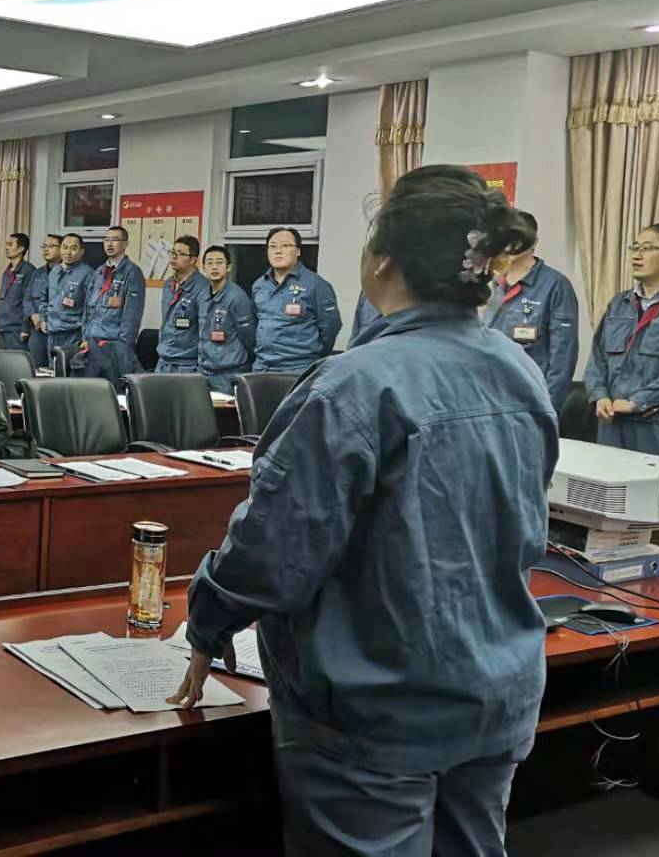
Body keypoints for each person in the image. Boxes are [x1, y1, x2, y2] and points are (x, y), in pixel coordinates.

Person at [171, 165, 556, 855]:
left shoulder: (354, 385)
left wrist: (208, 621)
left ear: (381, 260)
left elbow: (276, 550)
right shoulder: (518, 370)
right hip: (496, 692)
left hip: (380, 708)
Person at [482, 211, 580, 415]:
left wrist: (548, 409)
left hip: (527, 401)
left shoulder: (555, 286)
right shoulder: (489, 283)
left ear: (533, 241)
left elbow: (563, 356)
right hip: (485, 395)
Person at [585, 223, 659, 452]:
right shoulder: (619, 304)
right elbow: (597, 358)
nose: (637, 255)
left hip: (654, 423)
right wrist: (599, 396)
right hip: (611, 421)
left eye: (647, 248)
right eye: (635, 248)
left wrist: (637, 402)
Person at [251, 226, 341, 372]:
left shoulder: (316, 285)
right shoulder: (259, 285)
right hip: (262, 366)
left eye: (285, 245)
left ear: (298, 251)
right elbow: (255, 321)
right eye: (273, 246)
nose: (278, 251)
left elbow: (331, 326)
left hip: (298, 368)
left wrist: (314, 355)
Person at [78, 225, 146, 381]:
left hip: (113, 343)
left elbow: (132, 315)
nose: (109, 244)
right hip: (92, 342)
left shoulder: (132, 273)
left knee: (111, 388)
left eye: (115, 240)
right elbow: (88, 308)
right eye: (106, 240)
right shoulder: (99, 272)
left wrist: (123, 346)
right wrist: (85, 337)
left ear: (125, 244)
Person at [196, 245, 256, 394]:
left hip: (228, 373)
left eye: (219, 262)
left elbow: (249, 338)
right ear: (203, 268)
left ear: (228, 267)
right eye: (209, 263)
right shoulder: (202, 296)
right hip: (204, 370)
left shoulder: (237, 297)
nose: (214, 267)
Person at [155, 235, 209, 373]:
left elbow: (205, 331)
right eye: (172, 252)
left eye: (180, 254)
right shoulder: (169, 284)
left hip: (187, 363)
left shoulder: (203, 287)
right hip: (164, 359)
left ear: (193, 260)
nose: (174, 257)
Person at [43, 233, 91, 355]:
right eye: (65, 247)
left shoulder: (88, 274)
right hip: (52, 332)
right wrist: (43, 319)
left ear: (81, 252)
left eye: (73, 248)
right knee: (53, 365)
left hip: (73, 333)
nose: (68, 252)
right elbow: (44, 297)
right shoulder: (55, 271)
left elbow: (90, 308)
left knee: (70, 366)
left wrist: (86, 337)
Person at [0, 233, 36, 351]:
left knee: (17, 360)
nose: (6, 248)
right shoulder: (7, 271)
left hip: (16, 328)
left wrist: (25, 328)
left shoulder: (29, 271)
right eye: (6, 244)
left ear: (21, 249)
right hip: (3, 326)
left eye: (10, 245)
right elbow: (1, 299)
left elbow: (29, 301)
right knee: (4, 360)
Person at [26, 233, 61, 369]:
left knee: (57, 370)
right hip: (37, 329)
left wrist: (46, 319)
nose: (46, 249)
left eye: (51, 246)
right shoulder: (37, 273)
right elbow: (27, 298)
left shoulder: (67, 273)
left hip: (58, 330)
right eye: (44, 246)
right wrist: (33, 315)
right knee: (35, 369)